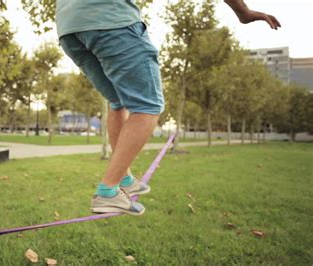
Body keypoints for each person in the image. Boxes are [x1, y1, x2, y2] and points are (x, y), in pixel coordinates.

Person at [55, 0, 281, 215]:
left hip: (69, 27)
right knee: (148, 105)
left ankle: (125, 179)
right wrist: (243, 12)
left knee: (118, 102)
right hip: (111, 20)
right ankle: (108, 192)